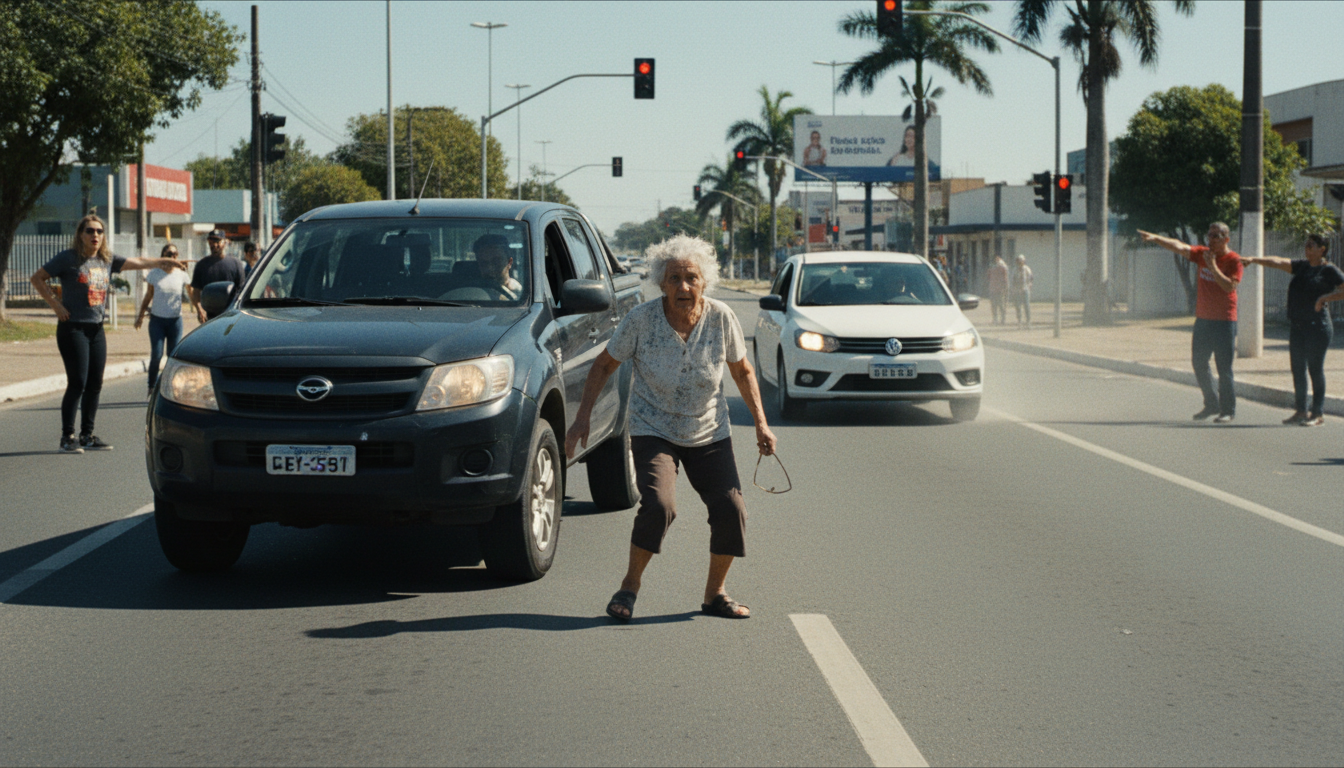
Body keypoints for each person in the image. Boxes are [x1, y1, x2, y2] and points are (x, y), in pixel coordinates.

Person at [565, 234, 777, 622]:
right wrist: (582, 417)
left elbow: (742, 371)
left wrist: (761, 424)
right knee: (660, 506)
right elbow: (603, 365)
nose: (683, 287)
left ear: (704, 282)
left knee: (732, 509)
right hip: (653, 427)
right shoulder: (641, 320)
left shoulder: (721, 318)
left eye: (691, 278)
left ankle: (715, 594)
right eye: (674, 279)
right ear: (661, 284)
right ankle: (629, 586)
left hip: (709, 430)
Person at [29, 214, 185, 453]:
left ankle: (87, 435)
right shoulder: (68, 258)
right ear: (80, 234)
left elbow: (139, 261)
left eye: (99, 232)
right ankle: (67, 437)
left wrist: (165, 261)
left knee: (95, 383)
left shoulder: (107, 260)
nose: (95, 236)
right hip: (73, 327)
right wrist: (56, 305)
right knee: (78, 382)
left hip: (96, 328)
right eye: (90, 231)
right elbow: (37, 278)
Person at [1138, 223, 1244, 423]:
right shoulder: (1203, 253)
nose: (1211, 239)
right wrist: (1156, 238)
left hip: (1224, 321)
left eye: (1216, 236)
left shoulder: (1233, 260)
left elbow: (1229, 286)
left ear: (1226, 239)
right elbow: (1180, 247)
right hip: (1203, 319)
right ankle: (1211, 404)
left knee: (1224, 368)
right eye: (1209, 235)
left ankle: (1227, 410)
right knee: (1198, 362)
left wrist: (1212, 267)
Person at [1240, 233, 1344, 426]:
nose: (1307, 248)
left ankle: (1317, 414)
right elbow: (1277, 261)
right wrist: (1254, 259)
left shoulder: (1329, 270)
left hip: (1318, 327)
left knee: (1315, 369)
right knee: (1298, 369)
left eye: (1312, 245)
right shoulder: (1302, 266)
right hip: (1297, 326)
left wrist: (1324, 299)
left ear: (1322, 249)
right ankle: (1300, 411)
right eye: (1306, 245)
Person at [135, 243, 188, 396]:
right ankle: (151, 387)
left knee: (173, 356)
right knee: (157, 355)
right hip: (157, 321)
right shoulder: (155, 273)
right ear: (163, 255)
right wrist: (140, 316)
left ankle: (170, 388)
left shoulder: (182, 274)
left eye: (174, 254)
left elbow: (191, 295)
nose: (172, 257)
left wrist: (199, 309)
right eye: (168, 254)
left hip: (175, 321)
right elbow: (148, 295)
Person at [189, 229, 247, 323]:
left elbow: (241, 291)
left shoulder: (236, 264)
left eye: (217, 241)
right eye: (211, 242)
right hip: (209, 317)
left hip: (230, 315)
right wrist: (200, 309)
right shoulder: (201, 265)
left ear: (225, 242)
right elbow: (196, 291)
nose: (214, 245)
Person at [471, 233, 524, 300]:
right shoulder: (470, 291)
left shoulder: (520, 293)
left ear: (509, 262)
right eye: (484, 263)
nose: (490, 268)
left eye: (496, 261)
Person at [1011, 254, 1034, 329]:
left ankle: (1028, 322)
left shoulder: (1027, 269)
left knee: (1027, 306)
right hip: (1017, 290)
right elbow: (1013, 280)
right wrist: (1013, 289)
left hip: (1025, 289)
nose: (1020, 262)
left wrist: (1030, 285)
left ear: (1023, 261)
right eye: (1018, 261)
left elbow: (1031, 278)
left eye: (1021, 261)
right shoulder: (1015, 270)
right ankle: (1019, 322)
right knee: (1018, 307)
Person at [986, 255, 1009, 326]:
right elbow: (988, 277)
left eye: (997, 259)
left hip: (1000, 290)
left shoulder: (1002, 267)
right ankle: (995, 320)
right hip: (993, 289)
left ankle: (1002, 320)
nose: (996, 260)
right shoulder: (992, 267)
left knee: (1001, 305)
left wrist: (1005, 288)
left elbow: (1005, 279)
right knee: (994, 306)